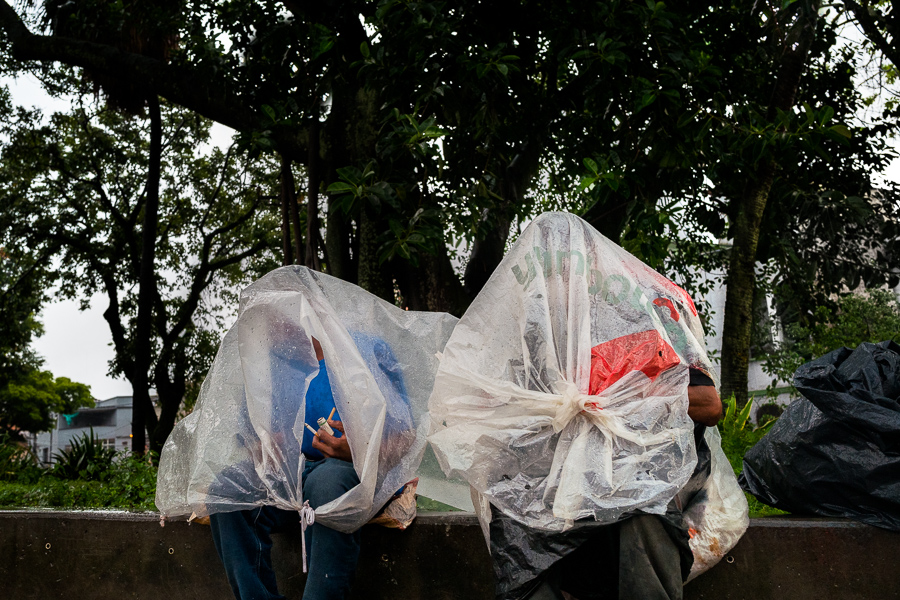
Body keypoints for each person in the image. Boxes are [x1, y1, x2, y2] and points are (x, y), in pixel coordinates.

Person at [512, 368, 722, 600]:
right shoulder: (549, 346)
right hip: (562, 473)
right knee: (516, 512)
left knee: (645, 510)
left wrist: (620, 393)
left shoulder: (658, 340)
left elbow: (710, 406)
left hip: (647, 472)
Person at [208, 337, 362, 600]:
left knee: (325, 484)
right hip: (288, 477)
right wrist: (268, 443)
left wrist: (359, 448)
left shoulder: (360, 350)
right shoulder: (269, 366)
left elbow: (403, 436)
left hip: (345, 471)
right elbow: (251, 441)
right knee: (227, 487)